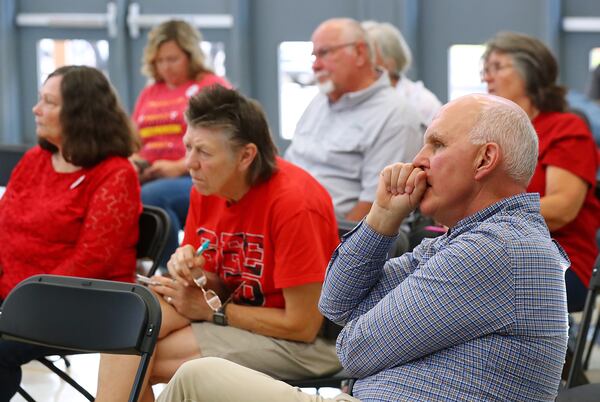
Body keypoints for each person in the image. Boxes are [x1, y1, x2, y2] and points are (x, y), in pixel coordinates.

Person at [155, 94, 569, 402]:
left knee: (197, 379)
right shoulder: (463, 239)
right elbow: (335, 305)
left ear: (484, 161)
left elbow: (353, 349)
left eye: (437, 146)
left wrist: (216, 309)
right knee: (195, 375)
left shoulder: (496, 249)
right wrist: (381, 219)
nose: (418, 159)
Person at [95, 86, 341, 402]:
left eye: (204, 152)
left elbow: (303, 325)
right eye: (188, 148)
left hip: (307, 344)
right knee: (126, 323)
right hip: (240, 316)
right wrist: (192, 273)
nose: (189, 163)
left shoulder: (295, 203)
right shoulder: (208, 187)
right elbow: (219, 284)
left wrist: (215, 312)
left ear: (246, 155)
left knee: (137, 354)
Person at [0, 65, 141, 401]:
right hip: (19, 296)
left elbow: (90, 264)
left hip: (79, 307)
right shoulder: (35, 160)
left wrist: (18, 303)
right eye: (40, 100)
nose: (36, 109)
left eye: (49, 102)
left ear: (80, 114)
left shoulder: (116, 174)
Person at [481, 31, 600, 312]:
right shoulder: (492, 135)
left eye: (497, 67)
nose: (487, 77)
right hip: (499, 251)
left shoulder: (566, 129)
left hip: (559, 260)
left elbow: (562, 209)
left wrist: (483, 217)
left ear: (530, 72)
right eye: (485, 70)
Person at [284, 17, 423, 222]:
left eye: (324, 53)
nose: (315, 66)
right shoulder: (319, 103)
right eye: (314, 56)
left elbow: (376, 208)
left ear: (359, 53)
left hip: (344, 233)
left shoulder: (395, 116)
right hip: (291, 221)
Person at [132, 20, 231, 267]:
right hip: (152, 174)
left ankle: (169, 269)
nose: (166, 67)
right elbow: (134, 140)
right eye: (160, 60)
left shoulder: (209, 86)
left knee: (152, 197)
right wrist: (135, 162)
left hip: (194, 175)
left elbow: (226, 144)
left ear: (190, 55)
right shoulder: (150, 92)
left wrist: (178, 167)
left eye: (172, 59)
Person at [361, 20, 442, 125]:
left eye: (366, 55)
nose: (358, 62)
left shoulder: (421, 102)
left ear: (389, 62)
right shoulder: (346, 99)